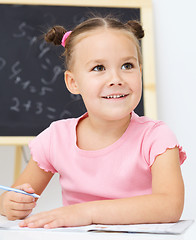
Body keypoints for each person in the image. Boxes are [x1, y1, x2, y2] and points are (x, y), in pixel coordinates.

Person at [0, 16, 186, 229]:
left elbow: (170, 206)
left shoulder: (156, 137)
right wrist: (9, 204)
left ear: (140, 72)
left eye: (127, 65)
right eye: (99, 68)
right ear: (73, 82)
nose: (116, 79)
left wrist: (85, 212)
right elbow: (12, 197)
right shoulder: (56, 138)